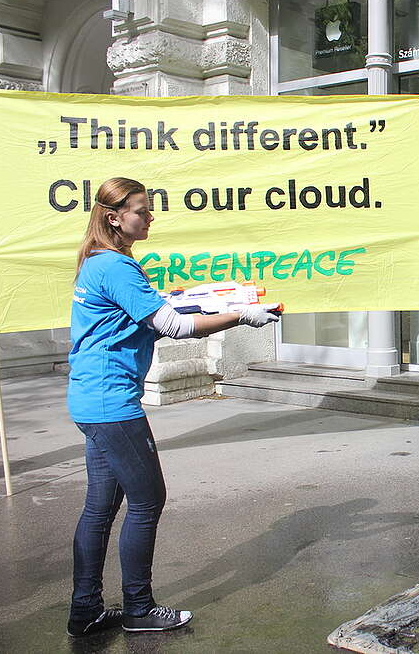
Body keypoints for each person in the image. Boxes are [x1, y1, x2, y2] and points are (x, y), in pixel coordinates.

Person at [66, 178, 280, 637]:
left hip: (90, 398)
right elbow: (172, 327)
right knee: (147, 500)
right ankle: (139, 609)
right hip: (113, 404)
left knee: (100, 508)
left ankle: (84, 612)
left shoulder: (98, 262)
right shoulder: (119, 268)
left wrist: (212, 298)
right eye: (142, 210)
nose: (150, 217)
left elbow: (159, 311)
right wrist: (242, 315)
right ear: (114, 217)